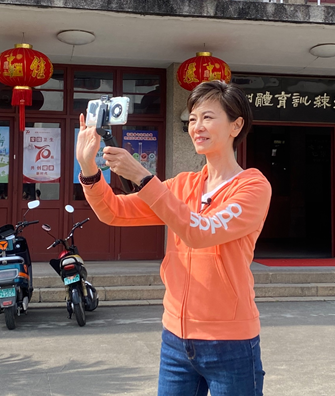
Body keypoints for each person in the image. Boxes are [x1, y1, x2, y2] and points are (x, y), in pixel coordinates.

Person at [76, 81, 272, 396]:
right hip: (175, 340)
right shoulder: (181, 186)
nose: (197, 126)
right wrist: (88, 168)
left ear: (236, 126)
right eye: (192, 119)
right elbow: (114, 212)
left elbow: (200, 231)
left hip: (231, 343)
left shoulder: (252, 187)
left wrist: (142, 177)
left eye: (208, 117)